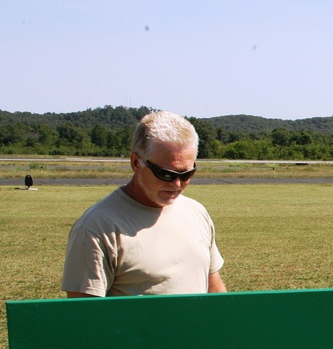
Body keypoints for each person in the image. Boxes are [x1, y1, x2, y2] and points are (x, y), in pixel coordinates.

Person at [62, 110, 227, 297]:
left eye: (187, 174)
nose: (177, 184)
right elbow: (84, 317)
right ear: (135, 163)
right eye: (166, 174)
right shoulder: (96, 228)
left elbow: (215, 290)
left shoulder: (197, 212)